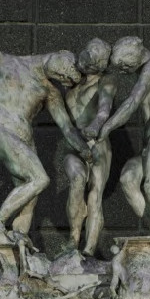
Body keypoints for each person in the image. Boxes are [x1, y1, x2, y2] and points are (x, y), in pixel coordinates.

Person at [0, 50, 86, 239]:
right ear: (60, 53)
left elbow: (67, 128)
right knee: (40, 179)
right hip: (4, 131)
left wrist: (85, 150)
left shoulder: (50, 91)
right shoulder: (1, 59)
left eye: (66, 77)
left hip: (26, 141)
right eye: (65, 68)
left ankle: (19, 239)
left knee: (30, 197)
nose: (63, 75)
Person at [94, 37, 150, 244]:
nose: (123, 71)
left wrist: (106, 127)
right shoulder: (145, 71)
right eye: (120, 67)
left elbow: (132, 102)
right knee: (128, 178)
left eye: (124, 65)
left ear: (136, 54)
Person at [62, 38, 118, 255]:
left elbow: (104, 108)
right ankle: (73, 237)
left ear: (100, 65)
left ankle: (89, 249)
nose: (85, 63)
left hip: (97, 143)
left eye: (91, 62)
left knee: (95, 195)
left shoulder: (106, 80)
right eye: (85, 56)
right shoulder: (71, 82)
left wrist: (95, 126)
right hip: (74, 143)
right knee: (76, 180)